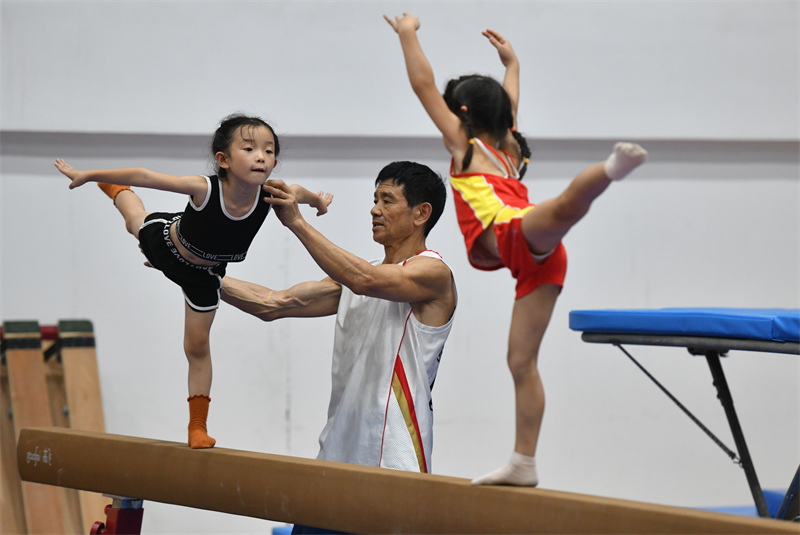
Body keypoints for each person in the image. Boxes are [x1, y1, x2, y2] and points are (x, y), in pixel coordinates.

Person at [385, 13, 647, 486]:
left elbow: (423, 86)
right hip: (531, 255)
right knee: (520, 361)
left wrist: (407, 34)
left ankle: (610, 169)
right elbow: (511, 103)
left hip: (513, 234)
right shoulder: (508, 147)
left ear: (461, 115)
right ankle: (523, 462)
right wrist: (513, 65)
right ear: (501, 117)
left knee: (565, 207)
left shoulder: (465, 147)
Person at [54, 114, 333, 449]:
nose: (262, 156)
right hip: (169, 247)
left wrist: (319, 203)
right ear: (223, 160)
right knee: (135, 220)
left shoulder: (273, 194)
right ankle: (116, 191)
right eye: (249, 148)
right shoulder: (205, 188)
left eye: (269, 151)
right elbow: (145, 175)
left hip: (205, 276)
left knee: (197, 346)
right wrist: (88, 174)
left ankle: (197, 427)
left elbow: (301, 193)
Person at [221, 161, 456, 480]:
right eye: (374, 200)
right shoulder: (354, 278)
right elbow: (272, 304)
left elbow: (365, 279)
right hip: (335, 454)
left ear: (420, 213)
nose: (374, 210)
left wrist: (297, 222)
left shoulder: (433, 273)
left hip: (392, 459)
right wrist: (197, 273)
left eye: (387, 201)